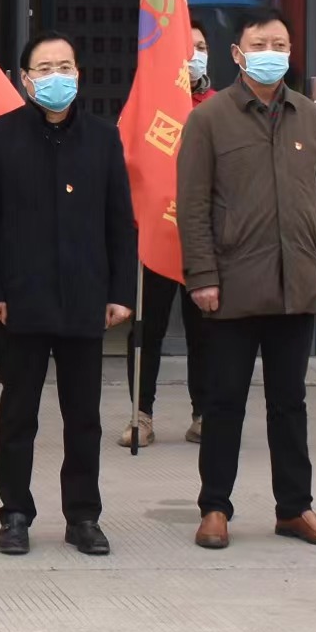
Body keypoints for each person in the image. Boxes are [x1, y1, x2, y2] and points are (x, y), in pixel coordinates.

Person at [176, 7, 316, 552]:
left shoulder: (310, 117)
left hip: (297, 285)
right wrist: (202, 275)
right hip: (230, 287)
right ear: (237, 53)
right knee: (223, 402)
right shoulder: (209, 119)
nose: (270, 53)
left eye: (280, 44)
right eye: (260, 44)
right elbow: (192, 207)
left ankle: (295, 508)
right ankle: (214, 508)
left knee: (289, 404)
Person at [0, 33, 134, 557]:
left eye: (65, 66)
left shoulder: (103, 138)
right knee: (19, 414)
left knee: (84, 417)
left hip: (86, 298)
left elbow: (120, 221)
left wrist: (121, 291)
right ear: (25, 79)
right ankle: (15, 513)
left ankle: (83, 516)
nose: (55, 76)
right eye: (44, 68)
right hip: (21, 300)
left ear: (78, 74)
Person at [123, 23, 213, 449]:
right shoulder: (146, 107)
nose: (194, 55)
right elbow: (126, 162)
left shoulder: (219, 108)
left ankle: (204, 414)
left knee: (205, 331)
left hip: (204, 238)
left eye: (201, 47)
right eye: (186, 47)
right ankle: (141, 415)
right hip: (155, 232)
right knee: (148, 328)